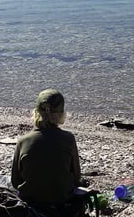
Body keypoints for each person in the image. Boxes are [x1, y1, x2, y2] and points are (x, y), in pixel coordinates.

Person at [11, 89, 83, 217]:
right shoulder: (68, 139)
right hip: (61, 200)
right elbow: (76, 178)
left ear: (36, 112)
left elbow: (15, 181)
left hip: (31, 202)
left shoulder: (23, 141)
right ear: (61, 114)